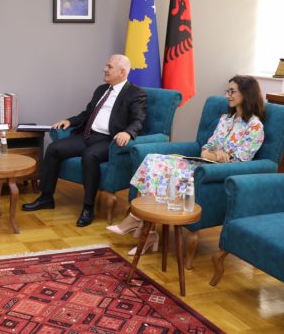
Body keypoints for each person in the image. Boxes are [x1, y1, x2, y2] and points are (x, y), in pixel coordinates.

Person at [107, 75, 265, 255]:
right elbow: (206, 150)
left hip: (215, 173)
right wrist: (217, 154)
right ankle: (147, 230)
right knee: (153, 160)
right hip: (202, 163)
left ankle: (139, 223)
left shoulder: (255, 127)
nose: (227, 95)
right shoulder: (225, 119)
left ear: (246, 93)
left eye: (232, 91)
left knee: (169, 172)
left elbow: (240, 161)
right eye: (227, 91)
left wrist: (220, 157)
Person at [22, 54, 147, 227]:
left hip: (109, 141)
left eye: (109, 67)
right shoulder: (101, 90)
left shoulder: (135, 94)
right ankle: (46, 198)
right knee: (54, 149)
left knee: (90, 156)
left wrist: (128, 132)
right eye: (106, 65)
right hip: (88, 135)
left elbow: (138, 120)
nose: (104, 69)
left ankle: (88, 208)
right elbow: (87, 113)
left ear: (122, 72)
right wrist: (70, 121)